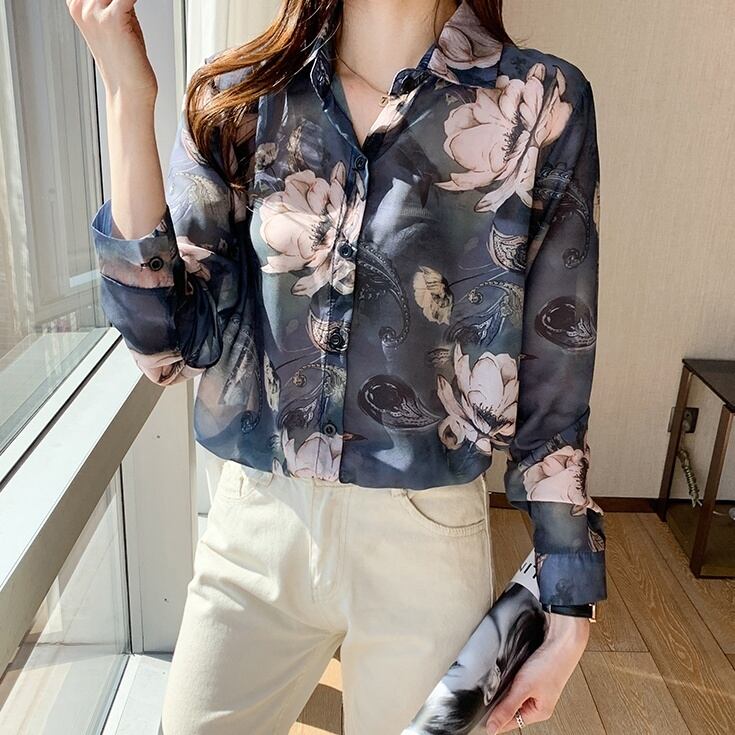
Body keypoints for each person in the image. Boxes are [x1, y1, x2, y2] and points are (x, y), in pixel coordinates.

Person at [67, 0, 607, 733]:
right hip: (256, 527)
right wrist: (126, 95)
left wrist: (567, 606)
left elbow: (556, 370)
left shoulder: (540, 102)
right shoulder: (241, 101)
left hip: (425, 537)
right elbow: (167, 347)